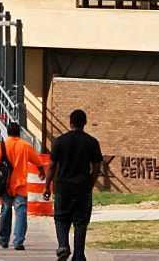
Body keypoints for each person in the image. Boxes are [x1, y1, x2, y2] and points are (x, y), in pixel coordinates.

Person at [47, 109, 103, 261]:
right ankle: (79, 255)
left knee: (60, 218)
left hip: (63, 187)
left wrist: (47, 186)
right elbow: (97, 167)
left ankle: (63, 247)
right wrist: (90, 183)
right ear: (84, 123)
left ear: (70, 122)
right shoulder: (91, 142)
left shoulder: (60, 142)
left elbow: (52, 166)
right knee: (80, 222)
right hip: (82, 187)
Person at [0, 122, 47, 251]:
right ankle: (18, 241)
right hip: (20, 185)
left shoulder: (2, 145)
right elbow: (38, 161)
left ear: (8, 132)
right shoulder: (25, 146)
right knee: (21, 212)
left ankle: (3, 239)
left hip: (5, 185)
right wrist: (42, 172)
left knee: (6, 210)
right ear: (19, 133)